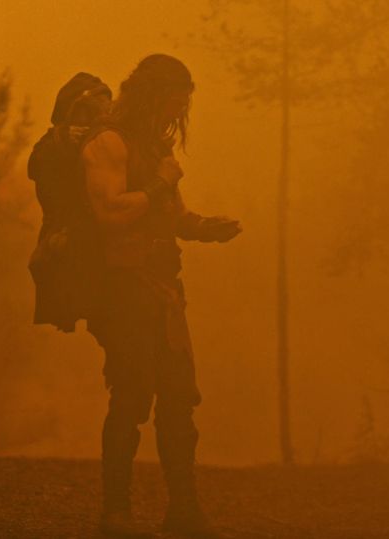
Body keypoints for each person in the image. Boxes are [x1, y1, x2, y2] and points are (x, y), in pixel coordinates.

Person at [81, 54, 241, 538]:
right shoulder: (108, 143)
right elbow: (109, 214)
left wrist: (204, 228)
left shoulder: (152, 148)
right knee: (130, 398)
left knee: (177, 400)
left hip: (164, 291)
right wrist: (159, 183)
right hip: (123, 292)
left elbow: (167, 216)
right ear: (153, 97)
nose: (177, 116)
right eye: (173, 104)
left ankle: (184, 511)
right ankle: (116, 513)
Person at [28, 73, 112, 332]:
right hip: (68, 248)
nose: (90, 122)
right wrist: (61, 139)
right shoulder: (50, 147)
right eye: (84, 114)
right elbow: (38, 168)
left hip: (104, 250)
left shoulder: (105, 143)